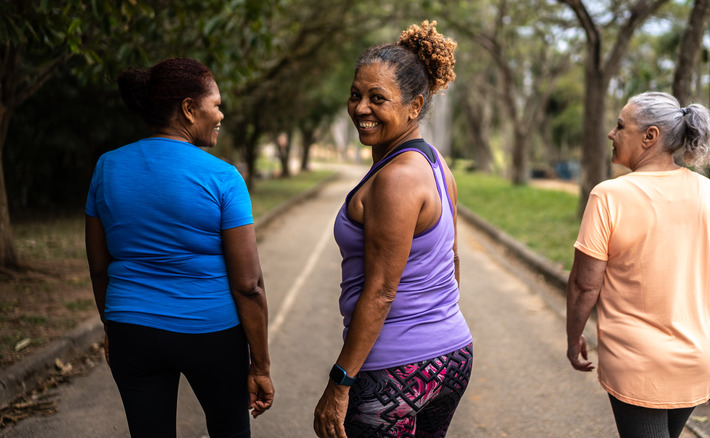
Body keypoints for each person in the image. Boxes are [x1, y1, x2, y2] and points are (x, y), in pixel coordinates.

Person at [85, 57, 274, 438]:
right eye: (215, 104)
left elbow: (98, 267)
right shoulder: (223, 177)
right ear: (189, 109)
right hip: (211, 332)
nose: (221, 114)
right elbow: (248, 284)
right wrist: (261, 366)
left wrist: (113, 325)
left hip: (130, 326)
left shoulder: (107, 167)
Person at [313, 21, 473, 438]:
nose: (361, 108)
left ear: (414, 107)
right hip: (451, 354)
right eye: (355, 95)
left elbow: (382, 291)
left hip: (396, 368)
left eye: (377, 98)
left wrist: (340, 380)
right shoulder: (434, 164)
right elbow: (451, 259)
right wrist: (436, 325)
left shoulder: (396, 178)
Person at [566, 91, 710, 438]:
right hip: (695, 359)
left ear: (650, 136)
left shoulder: (608, 196)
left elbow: (584, 284)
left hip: (635, 361)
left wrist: (573, 336)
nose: (611, 133)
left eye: (621, 126)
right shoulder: (708, 192)